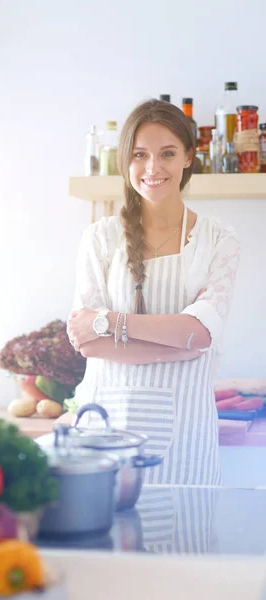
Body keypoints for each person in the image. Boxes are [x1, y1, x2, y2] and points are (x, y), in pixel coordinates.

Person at [66, 99, 241, 485]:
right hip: (105, 433)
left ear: (188, 158)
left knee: (185, 540)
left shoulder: (217, 240)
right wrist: (178, 347)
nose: (152, 168)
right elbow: (86, 340)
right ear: (124, 161)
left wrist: (112, 322)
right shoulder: (99, 238)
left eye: (167, 153)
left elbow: (201, 333)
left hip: (187, 438)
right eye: (139, 154)